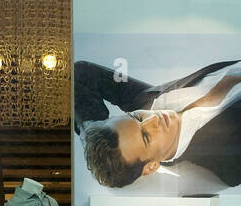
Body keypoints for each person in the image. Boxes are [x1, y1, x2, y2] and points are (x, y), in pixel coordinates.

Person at [75, 58, 241, 189]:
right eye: (146, 137)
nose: (153, 118)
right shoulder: (230, 163)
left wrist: (90, 130)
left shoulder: (145, 101)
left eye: (136, 117)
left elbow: (80, 74)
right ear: (152, 167)